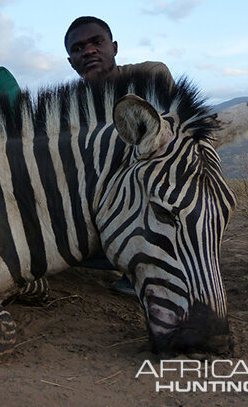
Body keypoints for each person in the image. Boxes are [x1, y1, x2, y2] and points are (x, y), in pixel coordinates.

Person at [64, 15, 174, 295]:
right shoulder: (71, 105)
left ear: (114, 47)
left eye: (96, 42)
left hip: (156, 181)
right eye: (77, 49)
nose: (88, 51)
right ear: (70, 62)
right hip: (109, 194)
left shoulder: (152, 76)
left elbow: (174, 139)